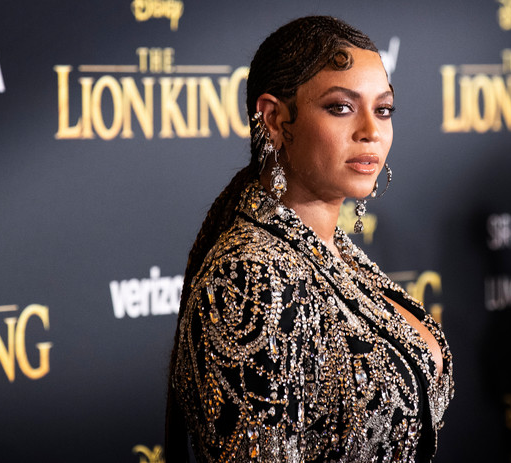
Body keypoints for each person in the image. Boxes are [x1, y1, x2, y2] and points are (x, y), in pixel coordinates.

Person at [166, 16, 454, 463]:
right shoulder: (249, 278)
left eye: (383, 109)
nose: (371, 130)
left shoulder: (330, 250)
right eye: (341, 107)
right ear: (274, 119)